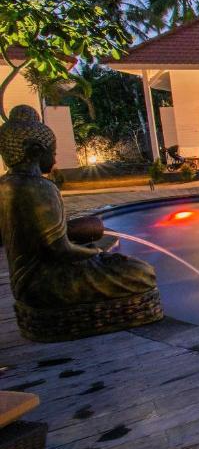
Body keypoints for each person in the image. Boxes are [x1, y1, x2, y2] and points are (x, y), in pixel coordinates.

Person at [0, 106, 158, 310]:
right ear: (36, 151)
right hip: (44, 282)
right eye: (53, 153)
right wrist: (97, 253)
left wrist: (72, 232)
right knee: (141, 272)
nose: (55, 160)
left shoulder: (6, 184)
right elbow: (60, 249)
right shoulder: (40, 187)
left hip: (22, 282)